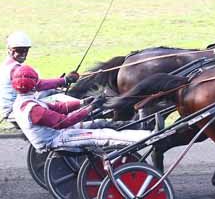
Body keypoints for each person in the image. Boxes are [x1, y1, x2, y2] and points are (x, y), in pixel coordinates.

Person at [11, 65, 151, 151]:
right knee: (104, 134)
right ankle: (149, 137)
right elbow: (64, 122)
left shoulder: (23, 102)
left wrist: (83, 103)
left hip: (57, 133)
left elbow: (59, 107)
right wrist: (89, 109)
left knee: (99, 123)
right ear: (35, 85)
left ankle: (141, 127)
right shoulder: (33, 109)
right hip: (56, 139)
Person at [0, 31, 79, 120]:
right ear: (9, 50)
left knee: (52, 91)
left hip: (15, 105)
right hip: (14, 110)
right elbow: (38, 85)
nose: (23, 54)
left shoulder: (7, 64)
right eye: (19, 50)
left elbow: (35, 84)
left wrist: (57, 83)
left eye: (26, 50)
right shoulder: (15, 68)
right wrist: (64, 80)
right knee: (62, 99)